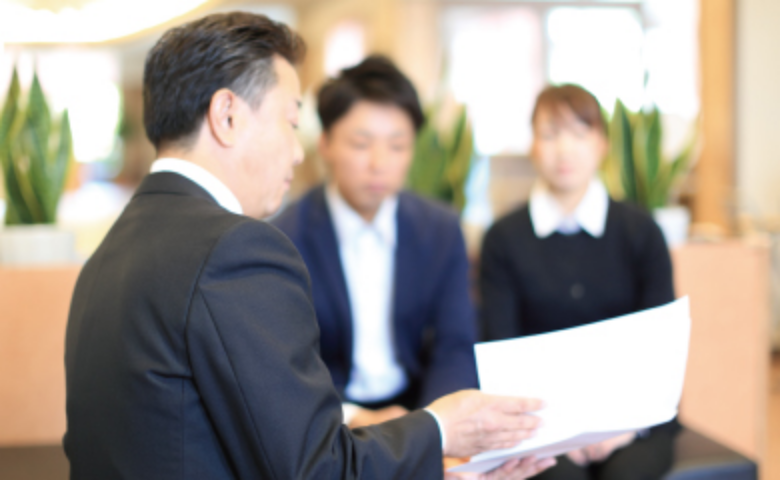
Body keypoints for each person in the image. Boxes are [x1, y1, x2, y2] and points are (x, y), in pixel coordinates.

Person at [64, 12, 555, 480]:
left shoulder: (109, 253)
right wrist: (443, 427)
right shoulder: (236, 250)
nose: (297, 152)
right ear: (227, 115)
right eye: (291, 122)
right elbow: (317, 467)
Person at [479, 84, 679, 480]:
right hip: (537, 426)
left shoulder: (641, 232)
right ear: (533, 146)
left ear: (603, 144)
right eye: (550, 134)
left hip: (633, 419)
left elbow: (661, 349)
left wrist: (622, 428)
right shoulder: (503, 238)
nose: (564, 149)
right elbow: (502, 349)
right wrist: (560, 434)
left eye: (579, 133)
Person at [273, 56, 478, 430]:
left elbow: (455, 345)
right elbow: (284, 368)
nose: (379, 163)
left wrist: (434, 425)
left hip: (420, 408)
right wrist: (356, 419)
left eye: (397, 146)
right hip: (328, 420)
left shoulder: (440, 229)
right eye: (361, 143)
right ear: (326, 144)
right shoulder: (284, 238)